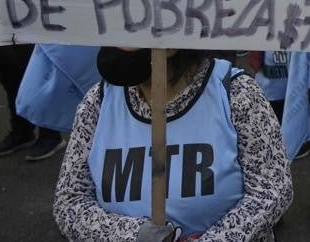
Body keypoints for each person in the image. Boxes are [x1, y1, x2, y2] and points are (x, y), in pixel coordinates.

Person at [53, 48, 293, 241]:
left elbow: (272, 190)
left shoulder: (235, 93)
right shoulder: (99, 101)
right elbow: (70, 201)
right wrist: (134, 236)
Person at [0, 43, 63, 162]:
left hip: (33, 33)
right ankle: (22, 131)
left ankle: (50, 134)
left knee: (37, 73)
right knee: (9, 74)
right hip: (1, 33)